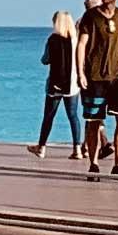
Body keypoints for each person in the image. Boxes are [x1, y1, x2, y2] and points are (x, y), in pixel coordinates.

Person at [77, 0, 118, 178]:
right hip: (95, 77)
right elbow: (81, 44)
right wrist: (80, 73)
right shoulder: (91, 16)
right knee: (94, 120)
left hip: (117, 76)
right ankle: (93, 164)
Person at [30, 11, 82, 157]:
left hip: (55, 84)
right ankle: (77, 148)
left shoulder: (52, 40)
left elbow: (45, 60)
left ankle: (41, 147)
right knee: (73, 116)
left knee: (49, 116)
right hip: (72, 84)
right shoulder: (75, 40)